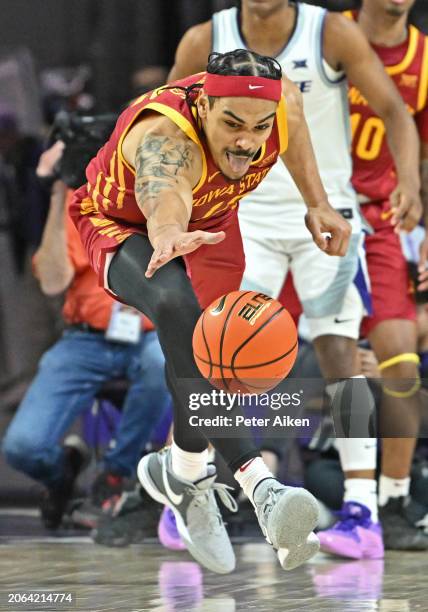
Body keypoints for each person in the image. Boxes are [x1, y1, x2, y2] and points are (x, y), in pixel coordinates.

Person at [70, 49, 352, 574]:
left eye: (259, 127)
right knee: (176, 305)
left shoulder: (279, 102)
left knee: (218, 357)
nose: (247, 139)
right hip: (124, 225)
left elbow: (288, 126)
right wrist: (170, 233)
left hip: (215, 221)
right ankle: (258, 485)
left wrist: (317, 201)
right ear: (203, 107)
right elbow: (164, 197)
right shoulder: (167, 140)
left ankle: (182, 471)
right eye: (232, 124)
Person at [168, 0, 423, 557]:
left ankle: (363, 511)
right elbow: (171, 129)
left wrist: (410, 181)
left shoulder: (330, 31)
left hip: (325, 209)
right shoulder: (201, 39)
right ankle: (191, 488)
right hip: (243, 218)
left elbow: (396, 112)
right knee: (215, 353)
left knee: (339, 352)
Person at [2, 141, 171, 529]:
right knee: (22, 448)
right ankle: (63, 472)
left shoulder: (163, 199)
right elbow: (52, 282)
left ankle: (115, 474)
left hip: (147, 336)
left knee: (161, 360)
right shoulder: (80, 203)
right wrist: (60, 191)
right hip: (85, 340)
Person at [318, 0, 428, 556]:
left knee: (400, 357)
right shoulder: (325, 35)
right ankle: (192, 479)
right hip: (315, 211)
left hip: (381, 220)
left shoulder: (424, 58)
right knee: (235, 352)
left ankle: (393, 500)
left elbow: (422, 148)